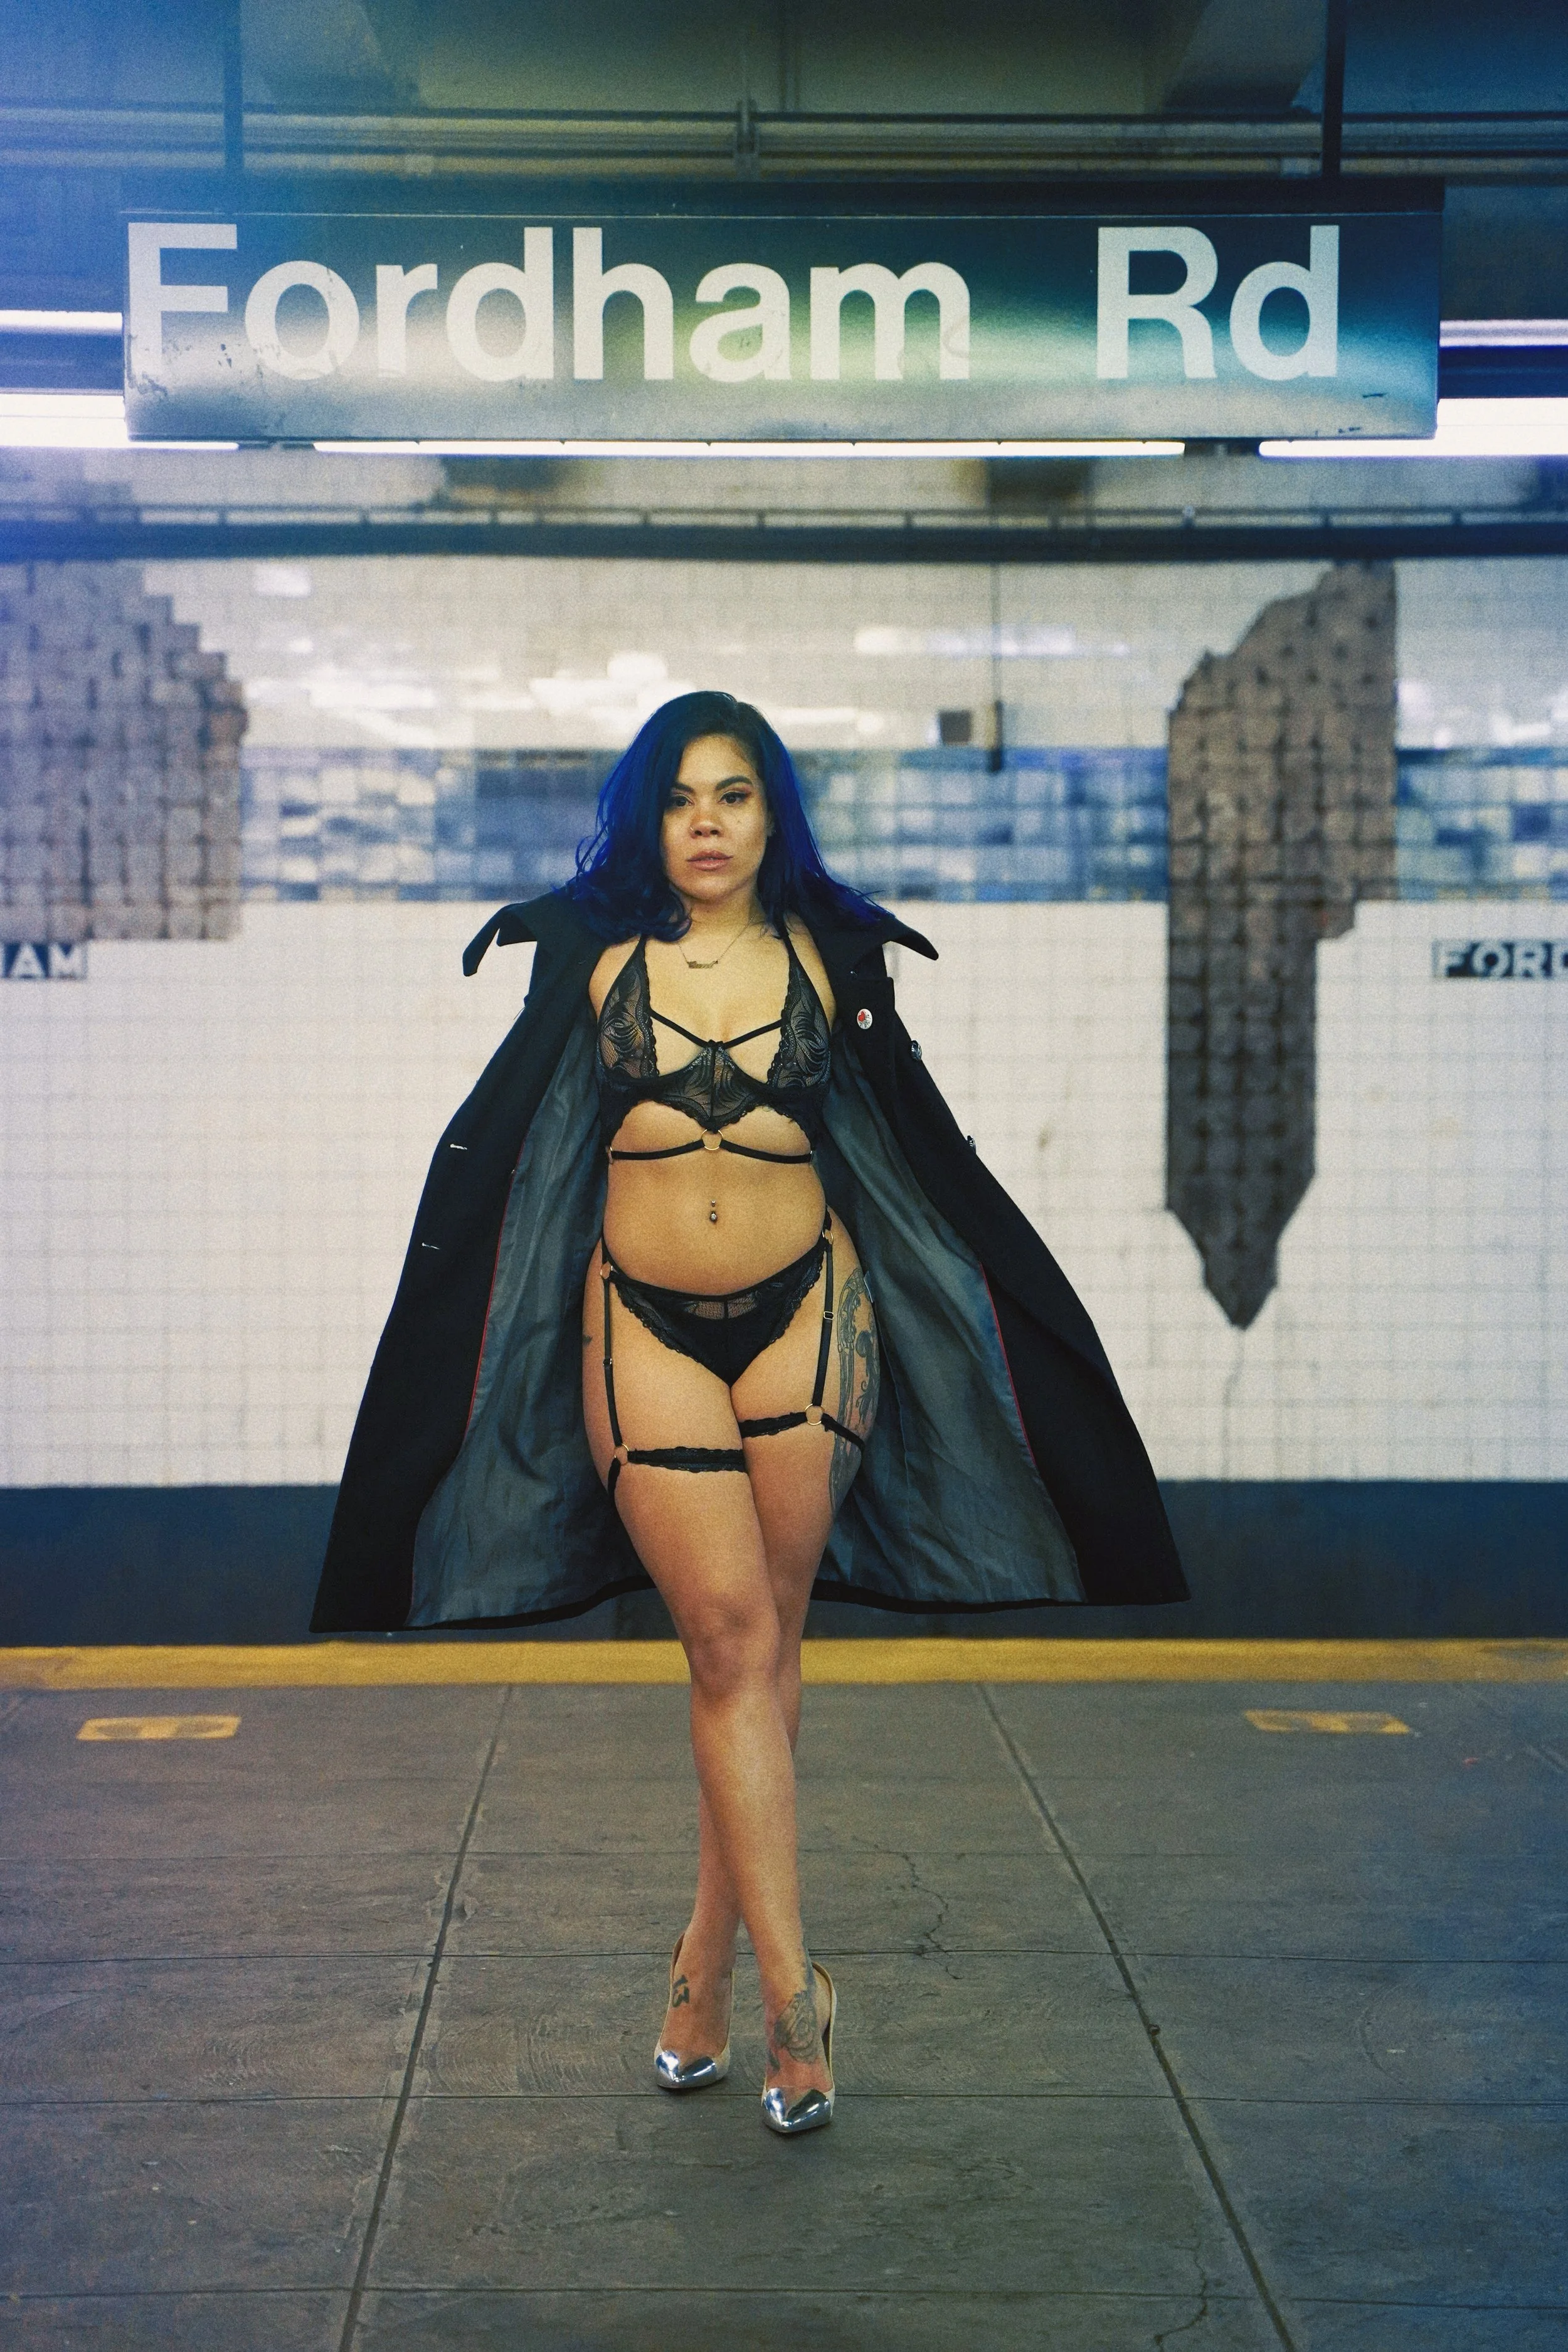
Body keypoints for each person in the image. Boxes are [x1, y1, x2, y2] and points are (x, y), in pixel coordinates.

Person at [312, 690, 1186, 2138]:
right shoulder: (586, 957)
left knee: (762, 1651)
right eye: (677, 797)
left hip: (809, 1316)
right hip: (637, 1320)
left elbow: (906, 1148)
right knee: (726, 1636)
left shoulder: (831, 957)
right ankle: (798, 1995)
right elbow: (517, 1148)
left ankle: (698, 1970)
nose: (704, 822)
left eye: (732, 795)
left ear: (771, 814)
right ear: (642, 818)